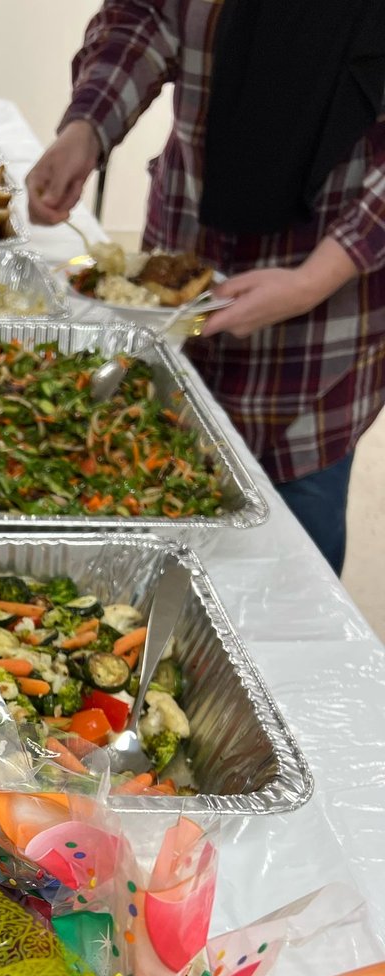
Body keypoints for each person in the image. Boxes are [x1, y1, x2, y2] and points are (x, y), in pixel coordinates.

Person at [26, 0, 385, 575]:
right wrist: (86, 128)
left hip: (317, 324)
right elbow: (144, 16)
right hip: (185, 267)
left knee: (292, 556)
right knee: (150, 487)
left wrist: (313, 279)